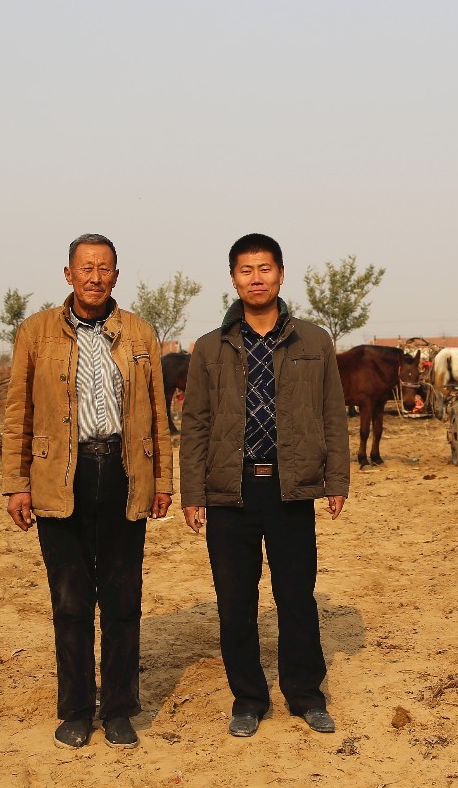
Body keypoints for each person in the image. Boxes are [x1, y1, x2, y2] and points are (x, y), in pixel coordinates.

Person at [1, 234, 173, 751]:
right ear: (68, 274)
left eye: (105, 268)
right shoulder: (36, 332)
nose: (95, 276)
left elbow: (160, 415)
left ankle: (119, 709)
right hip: (60, 477)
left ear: (117, 275)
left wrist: (163, 480)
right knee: (71, 601)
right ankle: (76, 710)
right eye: (86, 267)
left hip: (122, 472)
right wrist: (16, 484)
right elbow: (18, 415)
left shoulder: (140, 332)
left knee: (123, 599)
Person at [180, 233, 350, 739]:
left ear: (281, 274)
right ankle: (249, 699)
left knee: (296, 594)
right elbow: (195, 424)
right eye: (246, 270)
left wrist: (336, 479)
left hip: (290, 488)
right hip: (229, 491)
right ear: (233, 277)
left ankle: (305, 694)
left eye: (265, 268)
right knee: (235, 599)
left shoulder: (314, 342)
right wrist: (193, 493)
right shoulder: (210, 347)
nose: (257, 278)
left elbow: (333, 416)